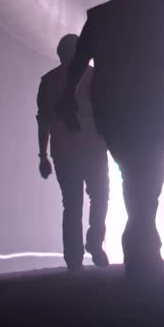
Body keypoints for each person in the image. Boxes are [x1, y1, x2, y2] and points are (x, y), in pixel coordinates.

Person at [58, 0, 164, 277]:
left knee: (133, 173)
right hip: (153, 108)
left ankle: (140, 237)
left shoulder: (103, 18)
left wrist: (68, 95)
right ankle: (142, 238)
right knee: (150, 174)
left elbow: (80, 59)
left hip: (114, 110)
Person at [36, 34, 110, 271]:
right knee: (100, 197)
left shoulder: (48, 81)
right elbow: (107, 114)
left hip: (64, 152)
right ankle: (94, 242)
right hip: (94, 149)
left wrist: (43, 156)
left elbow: (43, 121)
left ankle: (74, 259)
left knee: (72, 203)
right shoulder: (94, 77)